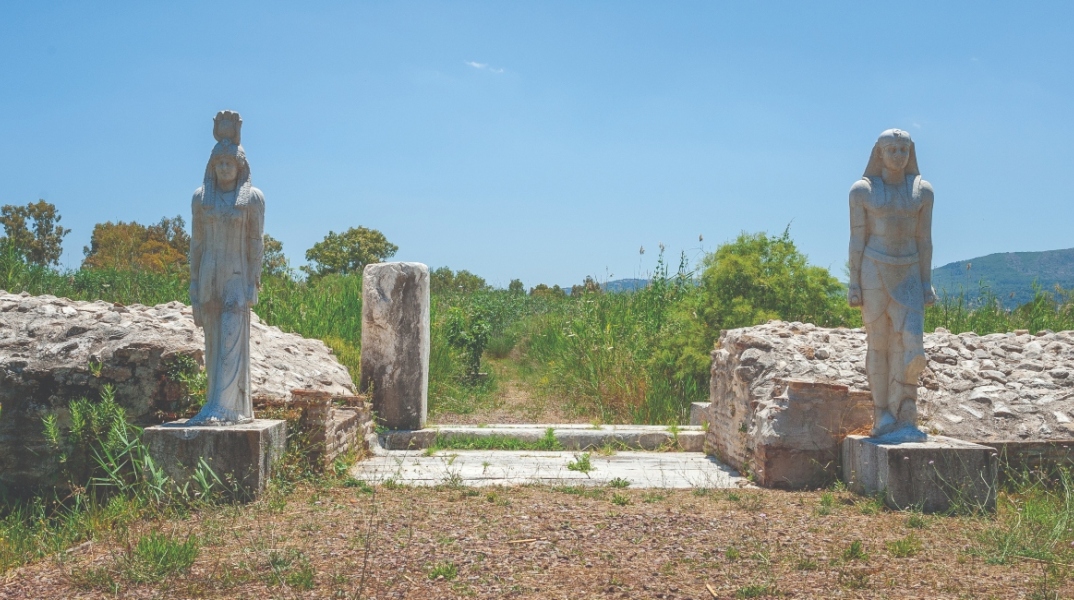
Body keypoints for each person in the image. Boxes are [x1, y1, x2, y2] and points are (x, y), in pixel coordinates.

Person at [848, 129, 934, 441]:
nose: (898, 155)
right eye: (892, 150)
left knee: (912, 341)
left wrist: (926, 283)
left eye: (903, 149)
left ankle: (907, 410)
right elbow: (857, 239)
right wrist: (853, 283)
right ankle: (882, 412)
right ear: (879, 153)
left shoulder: (922, 192)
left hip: (909, 270)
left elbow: (924, 240)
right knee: (879, 343)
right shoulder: (863, 191)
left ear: (910, 153)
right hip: (874, 269)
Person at [186, 110, 265, 425]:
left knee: (232, 337)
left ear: (241, 167)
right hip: (208, 275)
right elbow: (197, 244)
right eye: (219, 163)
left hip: (236, 276)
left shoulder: (253, 199)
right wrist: (193, 286)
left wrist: (253, 284)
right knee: (214, 341)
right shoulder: (200, 198)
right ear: (211, 167)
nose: (223, 168)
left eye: (229, 163)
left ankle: (226, 407)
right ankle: (214, 404)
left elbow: (256, 243)